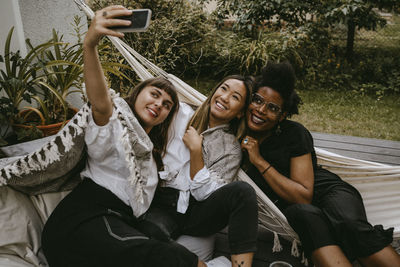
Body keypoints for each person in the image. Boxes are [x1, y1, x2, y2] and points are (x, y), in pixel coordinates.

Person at [41, 5, 209, 267]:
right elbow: (100, 103)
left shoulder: (151, 156)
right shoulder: (114, 125)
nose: (160, 105)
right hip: (82, 222)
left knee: (163, 247)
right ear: (138, 93)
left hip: (117, 225)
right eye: (155, 94)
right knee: (172, 258)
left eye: (167, 105)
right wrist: (90, 45)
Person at [241, 61, 400, 267]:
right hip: (293, 210)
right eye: (257, 100)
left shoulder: (294, 134)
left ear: (282, 116)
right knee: (303, 216)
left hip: (329, 192)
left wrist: (259, 160)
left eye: (272, 108)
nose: (261, 110)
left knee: (349, 224)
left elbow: (303, 195)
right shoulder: (237, 134)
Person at [143, 74, 259, 267]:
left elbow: (206, 194)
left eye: (235, 97)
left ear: (240, 113)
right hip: (163, 202)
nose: (224, 97)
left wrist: (196, 151)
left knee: (243, 192)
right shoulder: (181, 115)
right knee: (146, 239)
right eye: (223, 88)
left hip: (198, 211)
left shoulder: (230, 148)